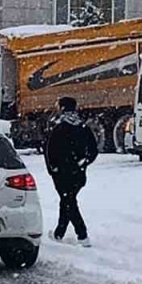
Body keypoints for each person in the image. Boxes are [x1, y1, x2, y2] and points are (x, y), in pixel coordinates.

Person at [44, 97, 99, 246]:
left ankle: (82, 235)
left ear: (62, 108)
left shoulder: (58, 127)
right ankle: (59, 233)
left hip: (62, 174)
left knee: (69, 202)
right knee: (67, 201)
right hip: (78, 174)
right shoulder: (83, 127)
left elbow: (49, 150)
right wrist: (84, 162)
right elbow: (93, 150)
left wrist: (53, 169)